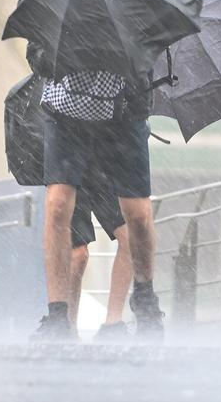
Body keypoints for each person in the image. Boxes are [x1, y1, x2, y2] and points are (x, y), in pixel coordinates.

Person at [27, 42, 165, 342]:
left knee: (138, 215)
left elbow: (151, 51)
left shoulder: (133, 0)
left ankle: (145, 298)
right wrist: (68, 54)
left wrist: (117, 53)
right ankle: (57, 315)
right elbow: (36, 54)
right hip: (66, 116)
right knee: (57, 205)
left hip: (125, 113)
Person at [66, 167, 134, 340]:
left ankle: (113, 325)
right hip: (71, 162)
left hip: (105, 160)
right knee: (78, 255)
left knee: (130, 238)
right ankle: (68, 329)